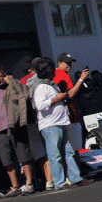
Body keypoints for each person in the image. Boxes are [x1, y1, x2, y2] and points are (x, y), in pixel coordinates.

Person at [31, 57, 92, 190]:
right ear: (47, 71)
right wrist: (56, 99)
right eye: (52, 69)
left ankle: (75, 178)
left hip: (61, 122)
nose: (54, 72)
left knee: (68, 152)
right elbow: (40, 105)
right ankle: (59, 183)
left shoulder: (51, 85)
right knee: (55, 155)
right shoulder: (41, 87)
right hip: (50, 125)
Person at [0, 66, 35, 197]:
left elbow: (24, 94)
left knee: (23, 155)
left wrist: (11, 82)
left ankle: (29, 183)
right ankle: (15, 186)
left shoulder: (13, 84)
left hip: (16, 125)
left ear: (5, 75)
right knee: (7, 159)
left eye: (0, 76)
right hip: (0, 129)